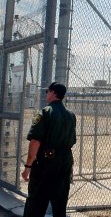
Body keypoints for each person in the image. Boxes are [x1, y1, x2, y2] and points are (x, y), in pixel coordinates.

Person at [22, 82, 76, 217]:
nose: (46, 94)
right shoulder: (71, 115)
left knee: (36, 202)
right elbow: (72, 140)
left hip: (46, 164)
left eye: (47, 91)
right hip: (65, 163)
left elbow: (35, 141)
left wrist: (28, 166)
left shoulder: (44, 113)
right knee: (59, 204)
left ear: (53, 93)